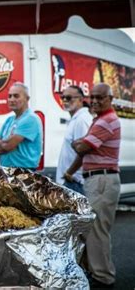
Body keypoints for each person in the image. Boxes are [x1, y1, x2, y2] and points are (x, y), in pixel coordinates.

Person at [72, 83, 121, 288]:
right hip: (100, 179)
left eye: (100, 97)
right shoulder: (101, 120)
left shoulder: (106, 121)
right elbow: (82, 146)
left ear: (111, 99)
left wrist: (79, 143)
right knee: (94, 228)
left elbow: (82, 146)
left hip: (101, 179)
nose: (95, 101)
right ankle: (99, 272)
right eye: (92, 97)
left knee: (96, 229)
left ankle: (102, 277)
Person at [0, 83, 42, 170]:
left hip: (24, 171)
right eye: (9, 96)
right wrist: (5, 143)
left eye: (16, 96)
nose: (11, 99)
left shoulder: (30, 119)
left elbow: (8, 146)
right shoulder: (9, 120)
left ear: (27, 98)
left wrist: (2, 143)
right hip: (8, 170)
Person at [55, 85, 93, 194]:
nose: (65, 100)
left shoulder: (82, 119)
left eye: (69, 98)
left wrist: (69, 173)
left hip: (75, 182)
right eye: (63, 98)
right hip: (71, 181)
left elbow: (84, 150)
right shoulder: (76, 118)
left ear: (81, 99)